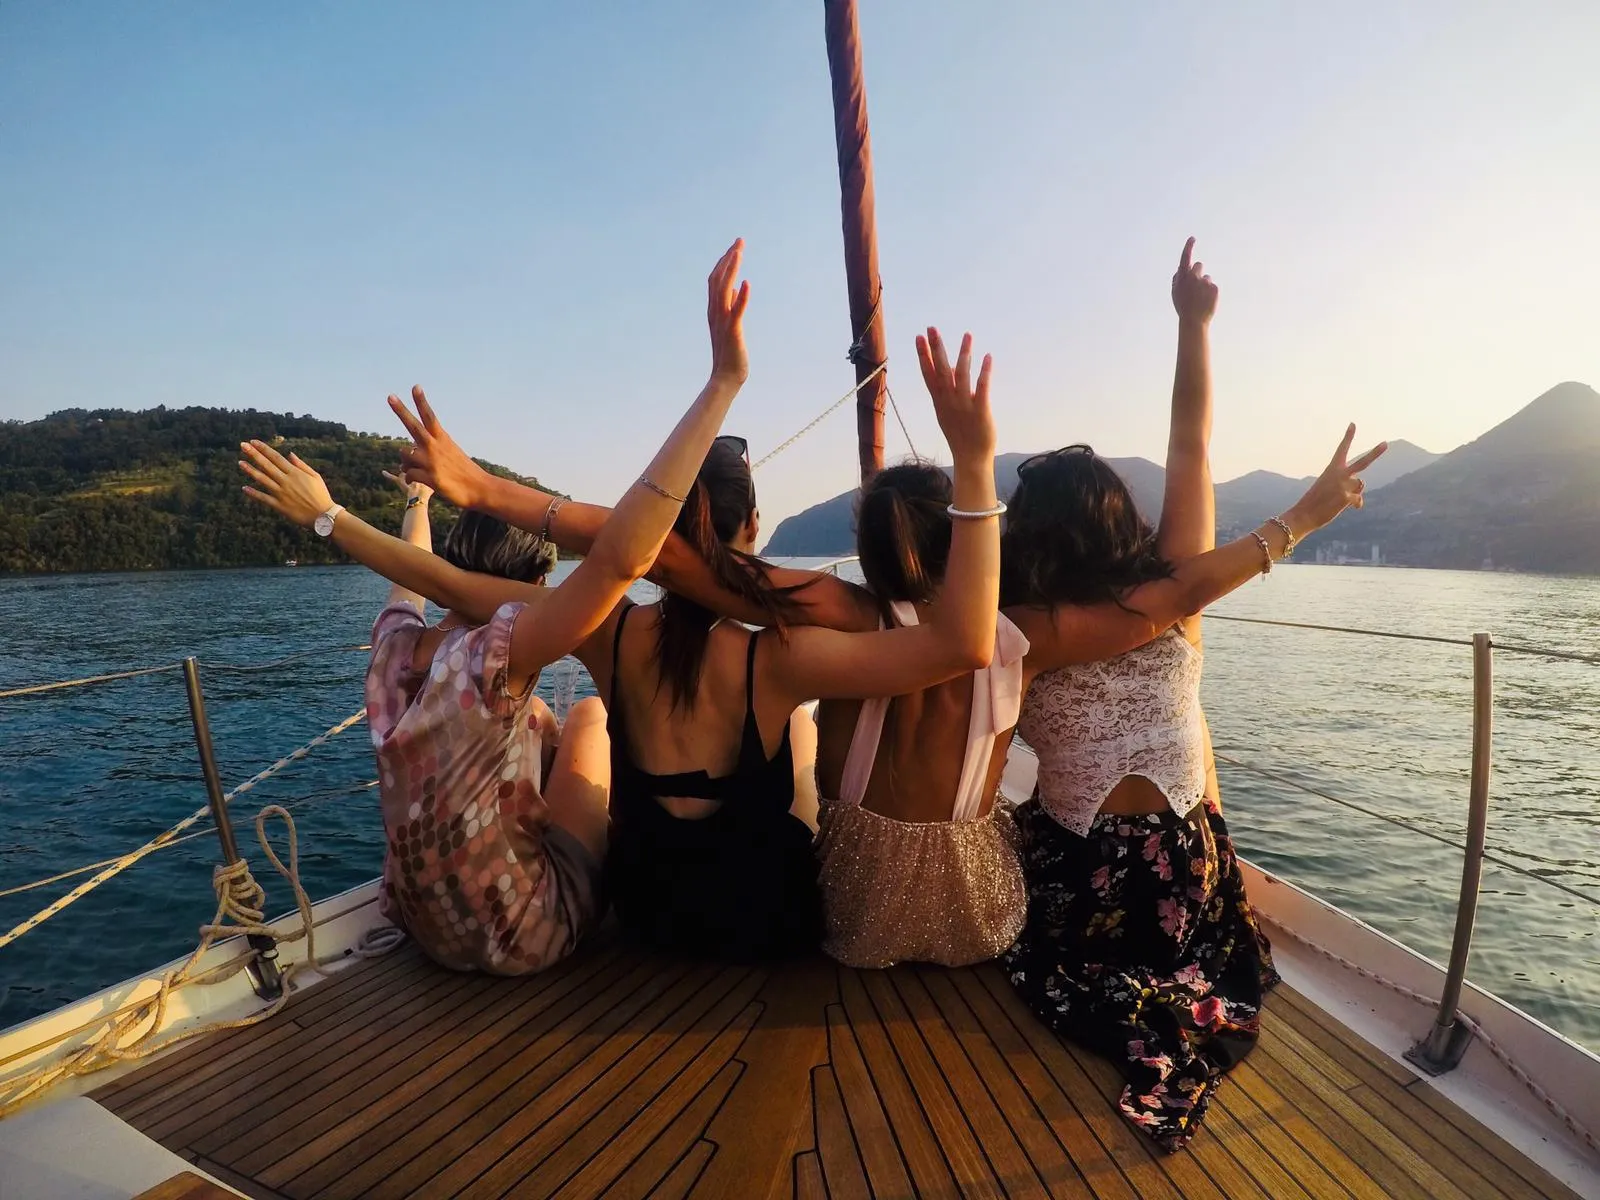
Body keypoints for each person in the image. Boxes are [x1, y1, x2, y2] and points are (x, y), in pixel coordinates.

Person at [387, 309, 1008, 961]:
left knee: (598, 718)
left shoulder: (609, 629)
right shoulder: (787, 653)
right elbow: (964, 644)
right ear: (754, 527)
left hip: (648, 914)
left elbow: (463, 583)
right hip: (762, 921)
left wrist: (342, 518)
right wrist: (976, 460)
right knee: (797, 730)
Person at [236, 240, 758, 974]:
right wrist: (721, 385)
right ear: (534, 583)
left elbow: (410, 577)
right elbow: (621, 559)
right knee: (585, 717)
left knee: (536, 721)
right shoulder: (499, 652)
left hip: (424, 928)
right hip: (519, 936)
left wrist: (365, 509)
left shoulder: (395, 647)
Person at [999, 239, 1386, 1151]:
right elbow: (1190, 446)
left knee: (1056, 902)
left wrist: (1193, 324)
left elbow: (1186, 445)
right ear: (1115, 519)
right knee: (1189, 951)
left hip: (1083, 877)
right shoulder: (1180, 592)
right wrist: (1193, 325)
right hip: (1187, 871)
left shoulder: (1023, 627)